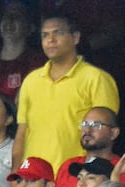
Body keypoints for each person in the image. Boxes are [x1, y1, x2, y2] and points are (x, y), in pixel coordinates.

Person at [14, 15, 120, 170]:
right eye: (45, 35)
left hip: (76, 178)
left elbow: (105, 136)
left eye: (58, 33)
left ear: (75, 37)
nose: (50, 39)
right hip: (33, 180)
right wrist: (16, 173)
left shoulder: (96, 78)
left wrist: (93, 176)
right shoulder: (31, 80)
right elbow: (21, 133)